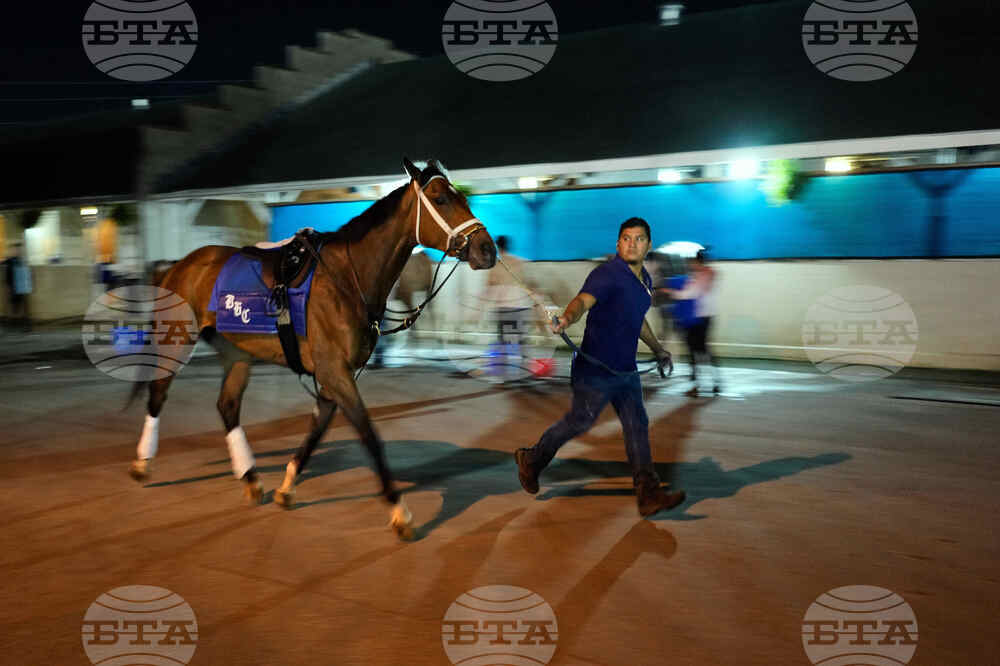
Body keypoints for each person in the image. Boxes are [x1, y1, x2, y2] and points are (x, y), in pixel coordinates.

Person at [514, 218, 686, 517]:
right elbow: (582, 302)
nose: (632, 243)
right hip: (595, 368)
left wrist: (658, 349)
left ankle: (648, 494)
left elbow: (638, 319)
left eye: (639, 239)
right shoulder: (606, 275)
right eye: (627, 238)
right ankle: (531, 460)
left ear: (648, 245)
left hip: (625, 369)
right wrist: (566, 318)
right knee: (580, 422)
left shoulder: (644, 279)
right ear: (618, 244)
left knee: (637, 424)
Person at [661, 248, 721, 396]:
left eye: (691, 262)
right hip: (704, 317)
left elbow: (689, 293)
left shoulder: (704, 275)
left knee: (697, 352)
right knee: (702, 351)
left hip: (699, 318)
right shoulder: (706, 273)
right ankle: (714, 383)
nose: (689, 264)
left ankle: (700, 385)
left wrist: (668, 292)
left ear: (697, 261)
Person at [4, 242, 33, 332]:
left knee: (23, 307)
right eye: (17, 249)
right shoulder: (11, 260)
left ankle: (25, 325)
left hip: (22, 287)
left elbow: (27, 274)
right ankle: (14, 324)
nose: (18, 251)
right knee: (15, 306)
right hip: (14, 287)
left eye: (19, 249)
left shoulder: (22, 261)